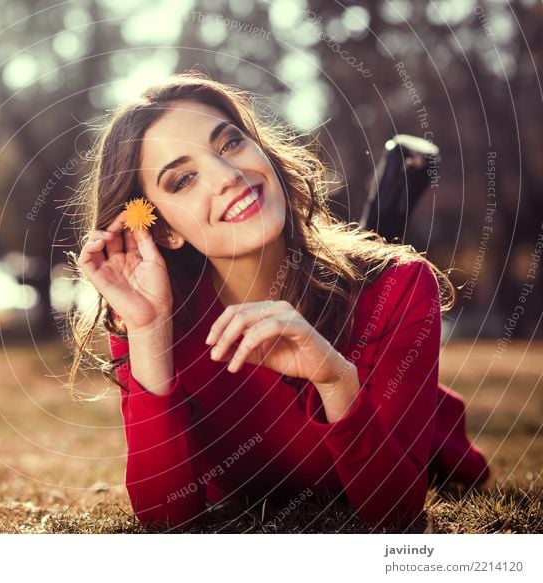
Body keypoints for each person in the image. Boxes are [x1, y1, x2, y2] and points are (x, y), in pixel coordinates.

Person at [65, 71, 490, 531]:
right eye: (184, 179)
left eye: (230, 144)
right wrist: (149, 333)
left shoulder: (399, 287)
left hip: (435, 447)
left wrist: (336, 379)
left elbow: (397, 515)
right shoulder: (150, 315)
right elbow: (164, 518)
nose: (228, 177)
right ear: (163, 229)